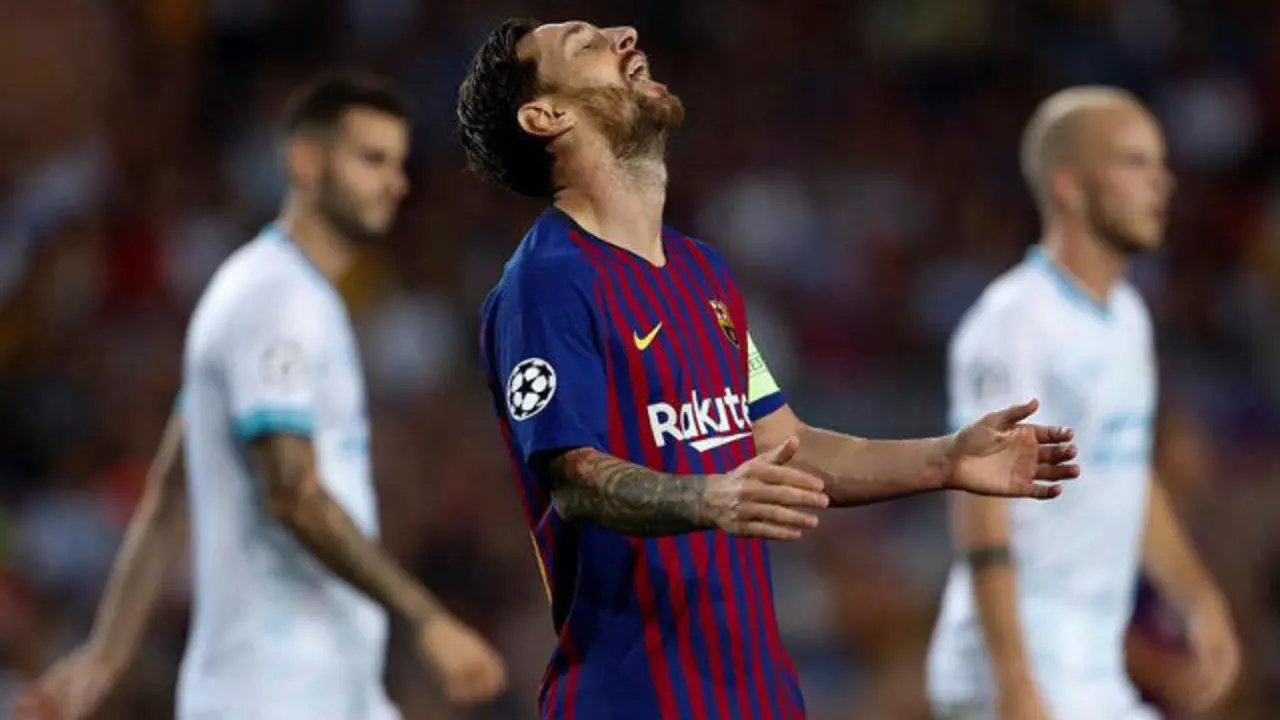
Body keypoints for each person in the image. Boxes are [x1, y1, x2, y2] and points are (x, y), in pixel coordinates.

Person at [456, 19, 1080, 720]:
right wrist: (706, 498)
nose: (625, 33)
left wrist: (943, 460)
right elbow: (574, 478)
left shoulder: (705, 275)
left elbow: (785, 443)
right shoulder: (546, 283)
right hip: (634, 702)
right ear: (547, 115)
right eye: (585, 43)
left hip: (759, 700)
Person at [17, 72, 506, 720]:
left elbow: (168, 496)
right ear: (306, 162)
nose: (393, 182)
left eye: (396, 163)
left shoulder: (288, 295)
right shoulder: (275, 301)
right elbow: (292, 492)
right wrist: (426, 618)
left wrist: (106, 653)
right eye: (370, 160)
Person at [925, 86, 1241, 720]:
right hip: (1017, 655)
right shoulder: (1014, 323)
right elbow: (976, 509)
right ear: (1069, 186)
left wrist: (1200, 599)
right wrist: (1014, 683)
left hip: (1089, 663)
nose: (1163, 182)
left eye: (1160, 162)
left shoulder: (1126, 317)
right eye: (1136, 162)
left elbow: (1123, 473)